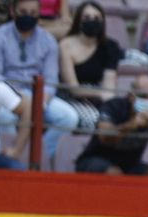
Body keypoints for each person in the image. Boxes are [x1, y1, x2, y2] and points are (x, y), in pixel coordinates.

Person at [0, 0, 76, 165]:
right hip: (7, 95)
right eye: (23, 12)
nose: (28, 16)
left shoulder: (48, 41)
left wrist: (41, 102)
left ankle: (37, 156)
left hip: (38, 94)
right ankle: (8, 159)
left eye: (33, 13)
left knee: (69, 117)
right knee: (4, 116)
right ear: (13, 11)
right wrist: (20, 100)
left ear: (39, 14)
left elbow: (51, 80)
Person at [74, 73, 148, 174]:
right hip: (94, 160)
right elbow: (105, 137)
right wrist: (131, 125)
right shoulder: (113, 106)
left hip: (130, 166)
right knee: (114, 174)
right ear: (131, 95)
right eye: (143, 96)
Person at [57, 0, 122, 129]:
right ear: (78, 20)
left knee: (118, 118)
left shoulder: (110, 47)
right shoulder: (65, 45)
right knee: (96, 120)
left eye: (96, 18)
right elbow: (73, 89)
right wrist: (100, 93)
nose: (92, 21)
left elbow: (109, 84)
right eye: (87, 17)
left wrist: (107, 100)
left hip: (98, 96)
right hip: (71, 98)